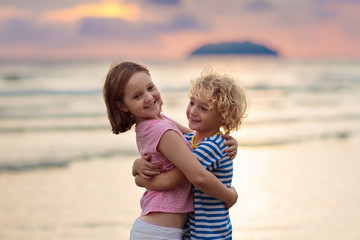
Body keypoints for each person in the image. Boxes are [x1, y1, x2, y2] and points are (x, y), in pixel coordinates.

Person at [103, 62, 238, 240]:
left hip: (160, 229)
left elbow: (197, 137)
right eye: (137, 96)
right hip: (160, 232)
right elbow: (196, 176)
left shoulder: (160, 123)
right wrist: (230, 196)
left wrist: (227, 141)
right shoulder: (161, 130)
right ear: (122, 106)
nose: (149, 97)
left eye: (150, 87)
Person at [134, 68, 248, 239]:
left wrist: (139, 178)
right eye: (192, 102)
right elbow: (165, 123)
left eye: (203, 108)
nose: (193, 111)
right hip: (195, 231)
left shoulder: (212, 146)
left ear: (223, 116)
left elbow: (188, 178)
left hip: (210, 232)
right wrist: (136, 164)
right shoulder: (192, 140)